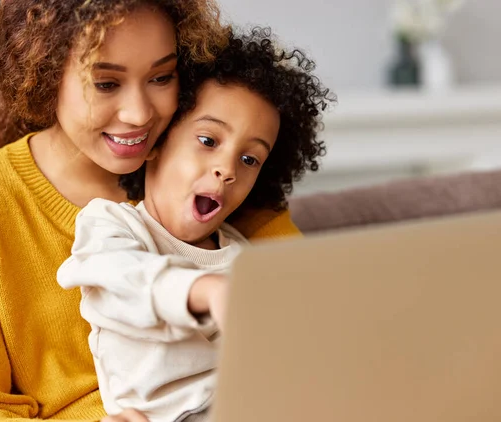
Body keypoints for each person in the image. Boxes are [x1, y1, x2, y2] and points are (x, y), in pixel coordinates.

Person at [0, 1, 315, 421]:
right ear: (45, 74)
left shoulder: (225, 180)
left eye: (161, 77)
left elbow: (320, 331)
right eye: (105, 83)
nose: (139, 114)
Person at [57, 28, 333, 422]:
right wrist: (203, 290)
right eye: (208, 140)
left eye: (250, 159)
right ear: (156, 142)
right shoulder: (111, 226)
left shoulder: (241, 256)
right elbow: (122, 279)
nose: (227, 169)